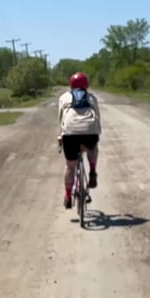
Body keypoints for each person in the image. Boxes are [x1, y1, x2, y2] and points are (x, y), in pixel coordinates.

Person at [57, 72, 101, 210]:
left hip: (70, 134)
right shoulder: (91, 97)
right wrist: (95, 131)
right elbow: (97, 116)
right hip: (90, 132)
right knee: (92, 147)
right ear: (86, 84)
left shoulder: (64, 97)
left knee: (70, 166)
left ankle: (68, 196)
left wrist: (61, 135)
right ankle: (92, 170)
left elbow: (61, 118)